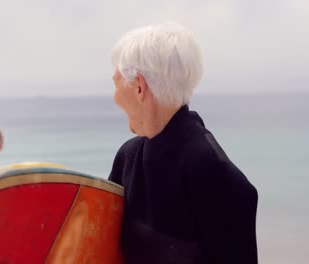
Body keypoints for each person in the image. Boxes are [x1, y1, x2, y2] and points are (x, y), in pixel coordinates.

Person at [108, 23, 258, 263]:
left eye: (116, 84)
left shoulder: (214, 173)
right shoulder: (128, 157)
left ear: (139, 86)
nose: (114, 97)